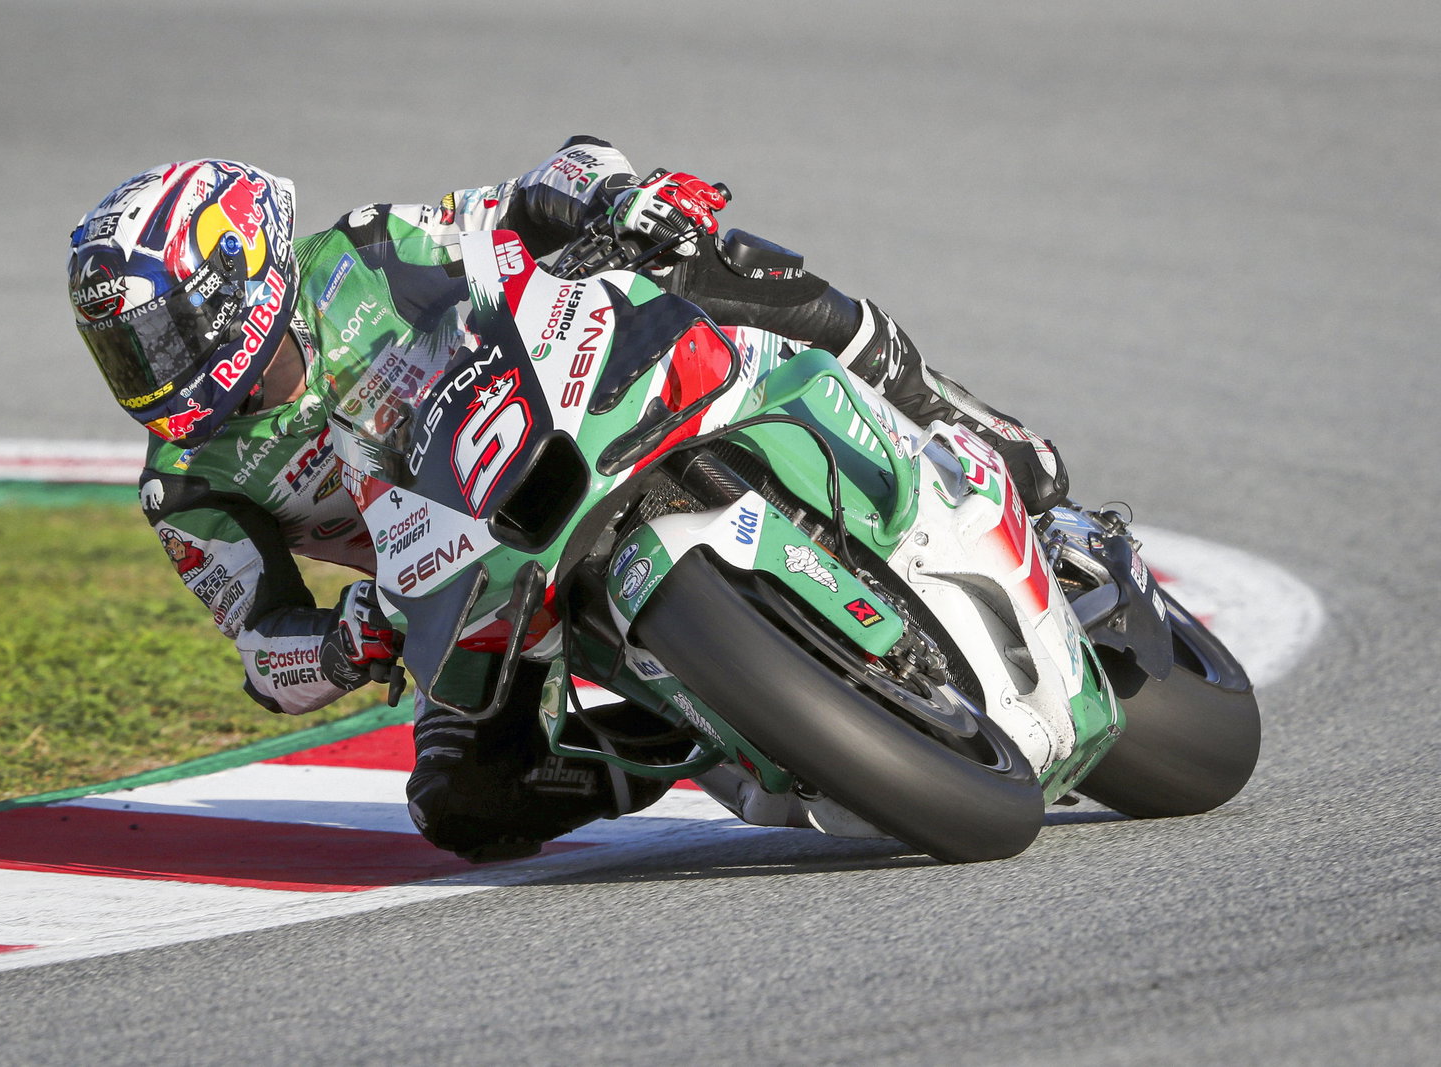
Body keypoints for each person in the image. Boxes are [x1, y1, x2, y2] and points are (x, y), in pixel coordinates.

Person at [66, 137, 1067, 862]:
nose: (149, 369)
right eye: (124, 350)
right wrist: (337, 645)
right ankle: (669, 736)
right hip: (464, 594)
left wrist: (615, 196)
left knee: (707, 253)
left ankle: (947, 412)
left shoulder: (362, 255)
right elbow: (260, 645)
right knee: (457, 802)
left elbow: (527, 195)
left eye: (161, 334)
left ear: (240, 275)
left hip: (559, 417)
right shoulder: (188, 483)